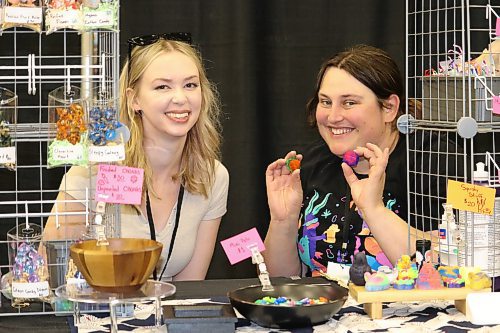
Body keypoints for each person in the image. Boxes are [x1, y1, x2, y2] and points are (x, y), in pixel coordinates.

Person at [43, 33, 229, 281]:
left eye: (190, 85)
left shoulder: (212, 177)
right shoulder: (91, 174)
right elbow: (48, 275)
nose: (180, 98)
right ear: (134, 99)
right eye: (162, 86)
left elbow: (190, 292)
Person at [263, 45, 459, 278]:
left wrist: (374, 210)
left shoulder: (438, 161)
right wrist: (282, 221)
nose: (333, 117)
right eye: (325, 102)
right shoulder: (312, 165)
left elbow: (447, 268)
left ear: (389, 108)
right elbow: (280, 282)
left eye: (349, 103)